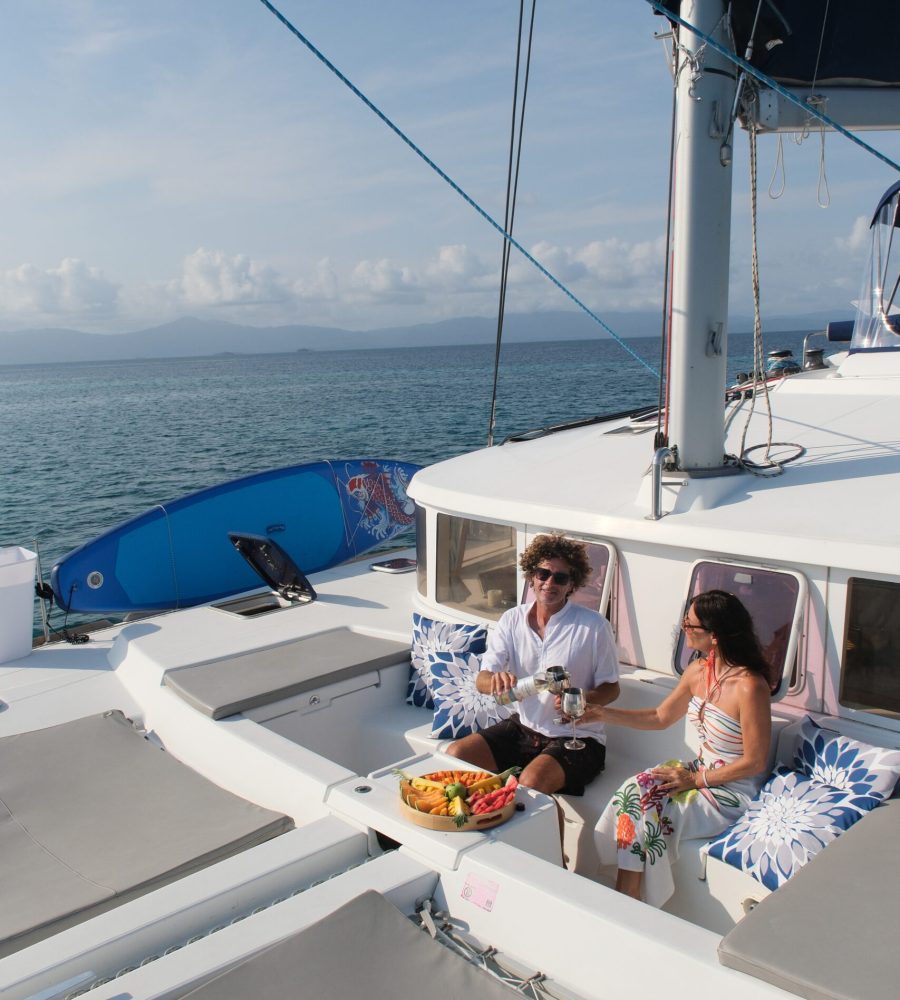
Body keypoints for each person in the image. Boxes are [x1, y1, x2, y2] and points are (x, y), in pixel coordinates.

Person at [586, 589, 772, 907]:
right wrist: (603, 714)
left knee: (650, 809)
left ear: (714, 635)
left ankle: (628, 898)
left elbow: (754, 762)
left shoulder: (750, 686)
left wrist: (695, 781)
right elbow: (660, 717)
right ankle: (627, 893)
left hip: (729, 791)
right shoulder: (698, 671)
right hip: (697, 772)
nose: (683, 628)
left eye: (690, 625)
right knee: (634, 789)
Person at [446, 534, 620, 797]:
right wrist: (495, 680)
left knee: (531, 782)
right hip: (524, 728)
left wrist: (583, 700)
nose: (550, 582)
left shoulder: (594, 626)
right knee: (456, 755)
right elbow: (482, 680)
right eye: (543, 573)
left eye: (560, 578)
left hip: (578, 737)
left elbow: (612, 688)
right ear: (531, 576)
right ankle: (479, 824)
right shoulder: (511, 619)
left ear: (571, 584)